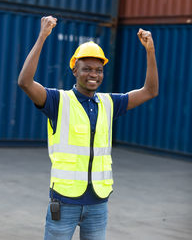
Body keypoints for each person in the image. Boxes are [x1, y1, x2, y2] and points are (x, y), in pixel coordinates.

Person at [18, 15, 158, 240]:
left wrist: (150, 51)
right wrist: (42, 36)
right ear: (74, 70)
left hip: (98, 204)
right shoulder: (57, 101)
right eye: (87, 69)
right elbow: (25, 82)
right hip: (64, 202)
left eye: (98, 70)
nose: (94, 74)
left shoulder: (110, 103)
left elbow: (150, 91)